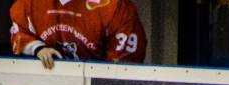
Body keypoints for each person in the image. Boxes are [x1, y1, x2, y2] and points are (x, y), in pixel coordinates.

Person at [9, 0, 146, 68]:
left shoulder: (113, 6)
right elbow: (20, 32)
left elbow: (125, 65)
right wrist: (37, 48)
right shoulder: (29, 3)